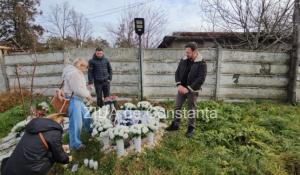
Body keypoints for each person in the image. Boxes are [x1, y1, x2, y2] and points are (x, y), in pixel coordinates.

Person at [3, 113, 72, 175]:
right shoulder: (54, 132)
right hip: (28, 171)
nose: (62, 124)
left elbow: (38, 146)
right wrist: (67, 159)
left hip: (9, 168)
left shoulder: (35, 125)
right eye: (62, 121)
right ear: (58, 119)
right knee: (53, 157)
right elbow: (59, 156)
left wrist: (60, 147)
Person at [166, 42, 207, 138]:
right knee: (177, 106)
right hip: (181, 88)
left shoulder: (202, 63)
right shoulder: (183, 60)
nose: (186, 54)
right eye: (186, 52)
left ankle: (190, 128)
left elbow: (201, 79)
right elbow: (177, 73)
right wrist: (179, 85)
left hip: (192, 90)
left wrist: (188, 89)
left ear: (195, 52)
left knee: (191, 109)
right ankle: (175, 125)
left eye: (188, 52)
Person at [62, 58, 93, 150]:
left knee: (87, 117)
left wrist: (86, 89)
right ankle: (75, 144)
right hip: (74, 100)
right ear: (80, 66)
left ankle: (91, 132)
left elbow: (79, 87)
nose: (86, 69)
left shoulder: (76, 73)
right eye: (85, 67)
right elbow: (77, 90)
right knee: (76, 123)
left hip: (78, 100)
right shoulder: (74, 74)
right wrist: (88, 95)